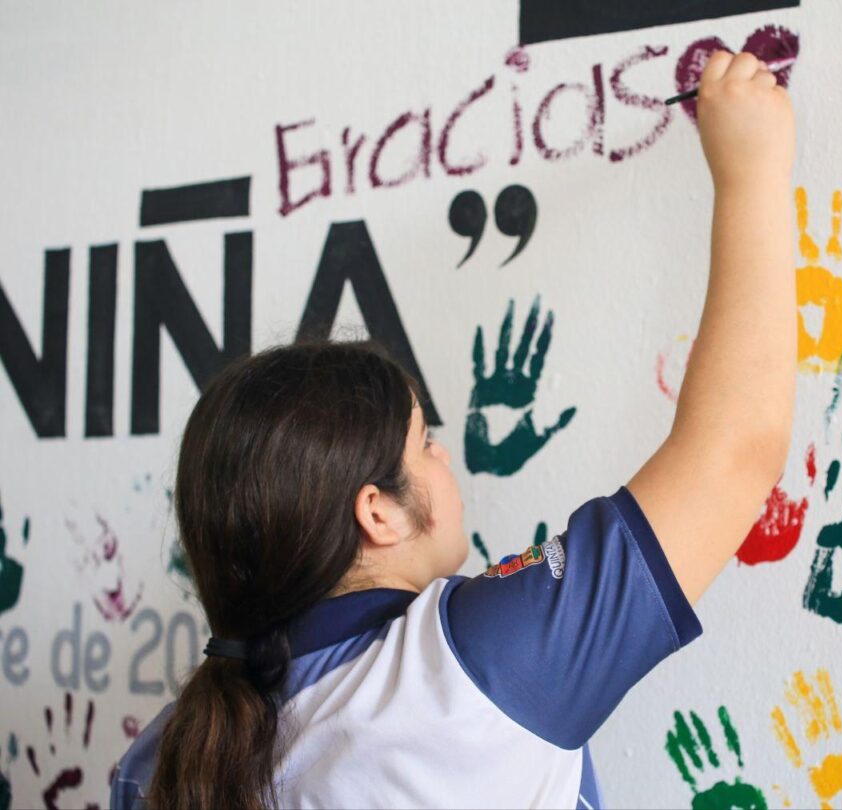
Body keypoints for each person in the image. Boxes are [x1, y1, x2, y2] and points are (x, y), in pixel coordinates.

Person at [110, 49, 796, 809]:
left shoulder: (155, 762)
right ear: (377, 511)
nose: (446, 458)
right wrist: (753, 168)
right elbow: (735, 450)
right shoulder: (471, 662)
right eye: (424, 442)